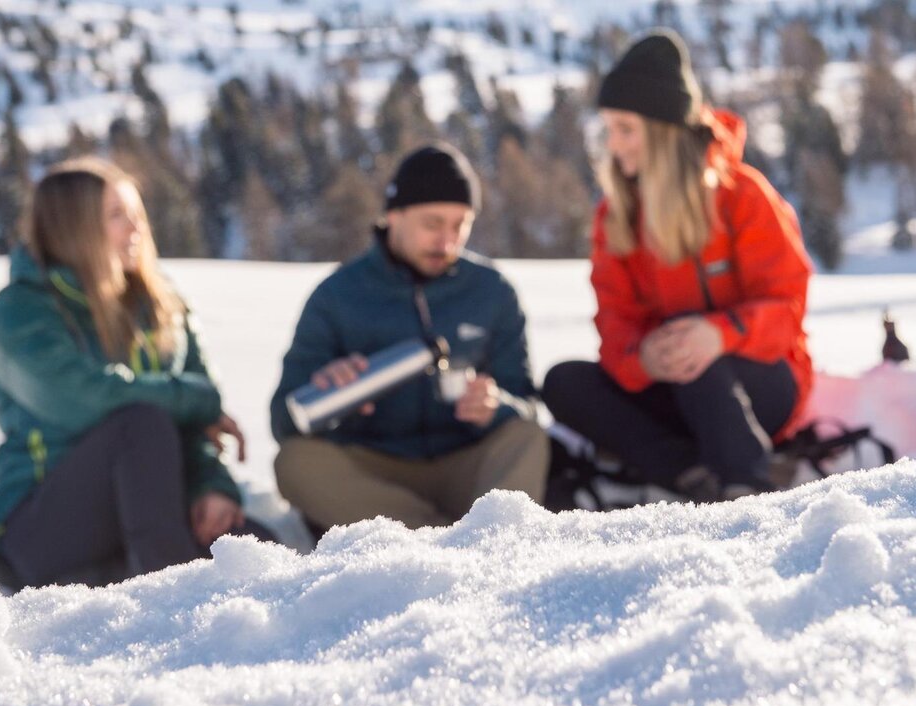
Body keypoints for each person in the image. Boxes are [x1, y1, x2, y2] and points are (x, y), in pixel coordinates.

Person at [542, 29, 815, 502]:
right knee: (565, 382)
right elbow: (615, 325)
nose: (614, 145)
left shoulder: (742, 196)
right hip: (671, 388)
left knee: (697, 355)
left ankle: (745, 486)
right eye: (609, 129)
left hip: (758, 385)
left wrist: (720, 334)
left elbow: (786, 307)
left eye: (625, 129)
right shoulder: (616, 215)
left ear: (665, 131)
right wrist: (643, 357)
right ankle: (690, 475)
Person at [0, 157, 272, 590]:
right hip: (44, 523)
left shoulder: (159, 302)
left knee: (259, 554)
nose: (136, 230)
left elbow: (195, 415)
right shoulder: (23, 310)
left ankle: (156, 581)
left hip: (150, 510)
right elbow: (84, 400)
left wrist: (211, 485)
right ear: (72, 228)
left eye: (137, 215)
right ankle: (174, 604)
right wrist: (196, 402)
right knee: (140, 423)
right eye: (117, 216)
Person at [269, 143, 548, 533]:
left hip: (466, 464)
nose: (448, 241)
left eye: (460, 225)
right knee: (294, 463)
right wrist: (328, 391)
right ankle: (444, 543)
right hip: (375, 470)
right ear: (392, 215)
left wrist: (496, 405)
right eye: (433, 224)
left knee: (527, 438)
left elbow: (527, 405)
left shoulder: (491, 291)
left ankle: (482, 539)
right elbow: (282, 420)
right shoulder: (337, 296)